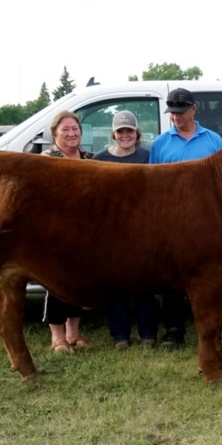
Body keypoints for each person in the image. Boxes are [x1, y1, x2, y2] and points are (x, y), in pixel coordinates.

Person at [150, 87, 222, 349]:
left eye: (181, 112)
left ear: (194, 109)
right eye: (173, 113)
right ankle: (174, 330)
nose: (177, 118)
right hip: (173, 220)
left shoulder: (214, 141)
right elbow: (152, 186)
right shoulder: (160, 144)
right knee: (171, 275)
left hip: (207, 219)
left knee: (210, 275)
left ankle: (213, 328)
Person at [93, 110, 157, 350]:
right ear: (114, 134)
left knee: (144, 285)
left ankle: (148, 335)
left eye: (129, 131)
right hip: (112, 233)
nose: (125, 135)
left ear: (136, 133)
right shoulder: (99, 159)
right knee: (115, 286)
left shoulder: (147, 157)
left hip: (142, 231)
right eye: (121, 131)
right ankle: (120, 337)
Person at [41, 110, 93, 353]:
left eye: (75, 129)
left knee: (79, 283)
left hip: (84, 233)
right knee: (55, 283)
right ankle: (57, 337)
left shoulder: (89, 158)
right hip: (55, 232)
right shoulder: (45, 159)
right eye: (66, 130)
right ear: (55, 134)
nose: (72, 134)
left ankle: (73, 333)